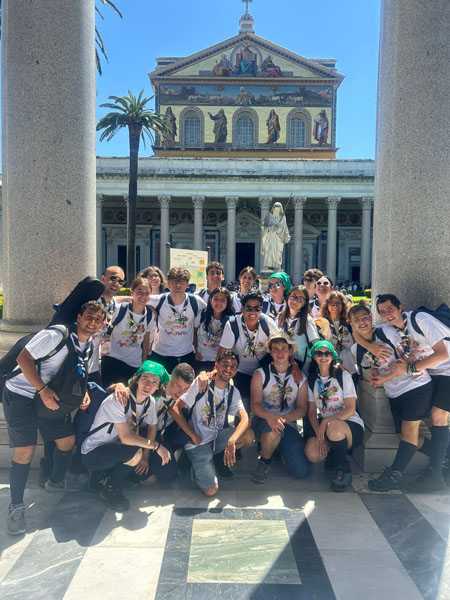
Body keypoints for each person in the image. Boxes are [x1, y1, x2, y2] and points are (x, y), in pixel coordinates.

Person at [4, 301, 107, 535]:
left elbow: (83, 373)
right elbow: (23, 359)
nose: (92, 322)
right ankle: (16, 506)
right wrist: (42, 389)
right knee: (25, 451)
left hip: (51, 397)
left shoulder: (90, 345)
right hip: (22, 394)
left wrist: (85, 393)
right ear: (79, 317)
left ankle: (56, 481)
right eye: (89, 316)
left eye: (98, 320)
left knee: (67, 441)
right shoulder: (56, 335)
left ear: (102, 325)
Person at [357, 295, 445, 492]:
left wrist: (391, 375)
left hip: (426, 381)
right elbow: (363, 344)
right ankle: (443, 456)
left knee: (421, 425)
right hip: (403, 388)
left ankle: (398, 474)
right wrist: (374, 367)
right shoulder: (377, 336)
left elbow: (405, 364)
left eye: (390, 309)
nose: (387, 314)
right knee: (403, 433)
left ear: (399, 307)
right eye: (382, 312)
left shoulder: (404, 325)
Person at [81, 361, 171, 512]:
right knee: (136, 452)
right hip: (93, 452)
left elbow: (152, 426)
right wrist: (156, 447)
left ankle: (102, 476)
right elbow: (126, 438)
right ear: (137, 379)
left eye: (154, 382)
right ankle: (110, 488)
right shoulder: (119, 399)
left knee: (148, 475)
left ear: (158, 387)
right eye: (145, 378)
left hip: (115, 448)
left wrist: (146, 456)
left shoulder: (150, 402)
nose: (148, 385)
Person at [175, 351, 254, 496]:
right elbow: (175, 409)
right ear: (216, 365)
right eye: (225, 364)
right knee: (211, 491)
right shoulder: (201, 384)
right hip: (198, 441)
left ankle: (215, 457)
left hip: (216, 438)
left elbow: (245, 419)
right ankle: (191, 460)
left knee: (248, 436)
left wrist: (232, 440)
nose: (228, 369)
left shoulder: (233, 392)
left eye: (233, 366)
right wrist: (192, 434)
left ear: (236, 371)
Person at [305, 341, 364, 492]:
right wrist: (319, 434)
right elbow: (311, 412)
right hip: (327, 426)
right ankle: (333, 453)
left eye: (327, 353)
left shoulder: (343, 375)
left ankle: (343, 468)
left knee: (334, 428)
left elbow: (350, 409)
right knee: (312, 453)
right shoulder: (312, 380)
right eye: (319, 353)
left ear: (333, 356)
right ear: (314, 356)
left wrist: (325, 422)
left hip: (349, 425)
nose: (323, 356)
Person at [250, 332, 309, 483]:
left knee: (300, 471)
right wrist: (271, 418)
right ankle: (265, 462)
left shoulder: (300, 378)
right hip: (264, 420)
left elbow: (302, 408)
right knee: (272, 432)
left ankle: (274, 449)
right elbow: (255, 405)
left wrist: (281, 419)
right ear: (270, 352)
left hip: (287, 423)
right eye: (275, 349)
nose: (280, 352)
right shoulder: (260, 374)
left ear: (290, 351)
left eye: (284, 348)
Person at [218, 290, 278, 409]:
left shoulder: (268, 324)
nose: (252, 312)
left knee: (260, 404)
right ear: (242, 308)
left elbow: (279, 347)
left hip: (263, 370)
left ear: (261, 309)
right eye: (248, 308)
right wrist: (218, 373)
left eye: (257, 308)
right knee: (242, 405)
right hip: (241, 371)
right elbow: (223, 352)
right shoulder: (233, 325)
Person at [148, 266, 207, 372]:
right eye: (174, 281)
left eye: (182, 282)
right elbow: (135, 299)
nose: (178, 285)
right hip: (161, 354)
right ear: (168, 283)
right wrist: (149, 307)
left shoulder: (196, 302)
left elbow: (211, 310)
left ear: (187, 284)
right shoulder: (158, 300)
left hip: (186, 354)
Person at [101, 277, 156, 389]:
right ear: (132, 293)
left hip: (134, 363)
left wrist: (143, 363)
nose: (143, 296)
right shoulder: (119, 309)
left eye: (147, 293)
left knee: (129, 395)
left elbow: (146, 341)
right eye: (139, 292)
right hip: (113, 360)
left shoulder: (150, 315)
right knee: (110, 393)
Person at [88, 266, 126, 386]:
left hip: (93, 366)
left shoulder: (113, 304)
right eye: (113, 279)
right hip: (77, 363)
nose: (116, 283)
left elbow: (121, 299)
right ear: (103, 279)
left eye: (120, 282)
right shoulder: (91, 300)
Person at [315, 291, 357, 385]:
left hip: (350, 368)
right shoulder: (322, 323)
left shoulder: (349, 324)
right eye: (332, 303)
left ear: (343, 306)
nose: (335, 306)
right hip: (330, 369)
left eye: (338, 303)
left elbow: (356, 342)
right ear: (327, 305)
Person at [278, 285, 320, 373]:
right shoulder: (280, 317)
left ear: (304, 303)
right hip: (285, 364)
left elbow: (316, 343)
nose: (294, 301)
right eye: (293, 296)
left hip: (303, 367)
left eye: (300, 299)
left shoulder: (306, 320)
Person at [195, 287, 235, 372]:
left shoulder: (231, 320)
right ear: (210, 300)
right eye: (216, 299)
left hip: (220, 362)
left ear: (227, 302)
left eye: (223, 300)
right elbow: (194, 332)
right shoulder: (202, 314)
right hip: (201, 359)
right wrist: (195, 351)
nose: (219, 302)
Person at [261, 202, 291, 271]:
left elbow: (284, 227)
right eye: (275, 209)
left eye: (278, 210)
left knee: (277, 253)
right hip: (270, 236)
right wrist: (272, 227)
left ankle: (277, 266)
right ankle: (268, 266)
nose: (276, 211)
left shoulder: (282, 217)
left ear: (280, 210)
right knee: (269, 251)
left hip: (278, 238)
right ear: (273, 209)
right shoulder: (269, 217)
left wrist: (281, 229)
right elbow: (264, 226)